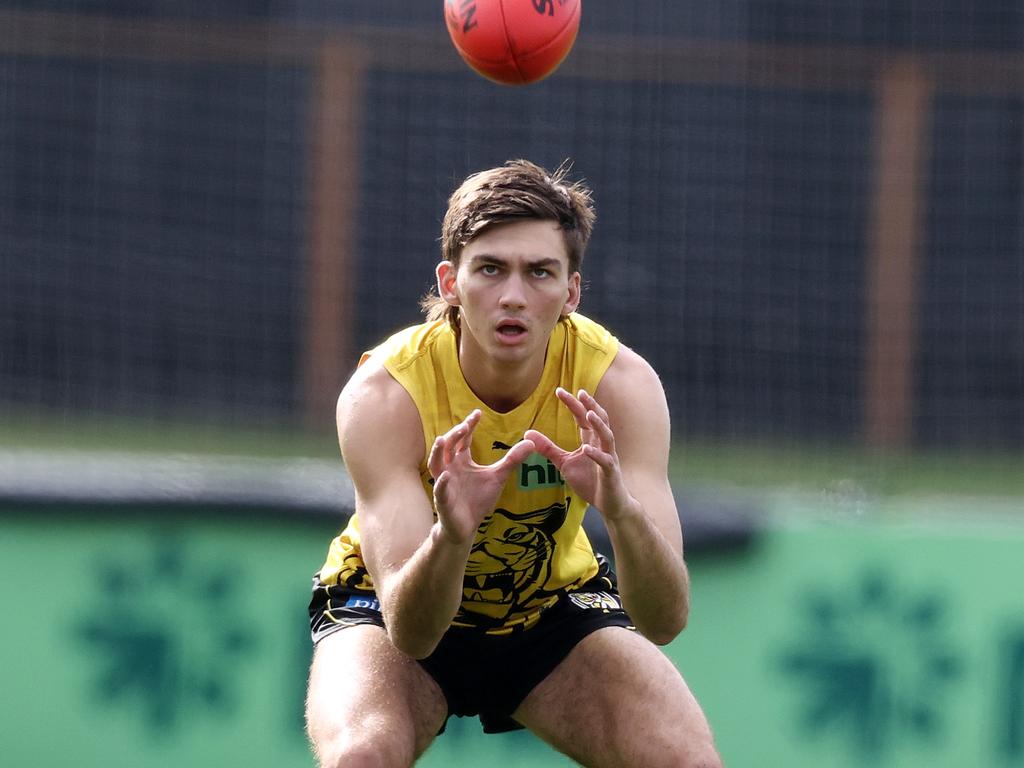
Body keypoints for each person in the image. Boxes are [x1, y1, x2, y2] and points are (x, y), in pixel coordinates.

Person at [305, 159, 722, 768]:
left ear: (572, 292)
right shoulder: (386, 393)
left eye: (540, 273)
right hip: (386, 605)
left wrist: (621, 513)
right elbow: (413, 632)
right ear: (451, 282)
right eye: (491, 269)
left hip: (546, 605)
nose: (513, 297)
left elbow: (665, 619)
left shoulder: (619, 384)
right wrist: (453, 533)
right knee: (362, 756)